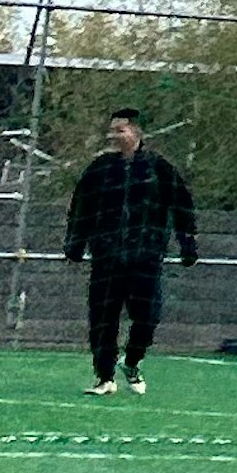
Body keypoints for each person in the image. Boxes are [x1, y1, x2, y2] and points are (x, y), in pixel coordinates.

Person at [61, 106, 197, 392]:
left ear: (135, 132)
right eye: (112, 130)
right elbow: (81, 206)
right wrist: (76, 242)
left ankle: (133, 359)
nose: (114, 135)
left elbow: (181, 206)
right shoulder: (100, 169)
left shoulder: (159, 168)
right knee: (103, 317)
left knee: (148, 316)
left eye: (120, 130)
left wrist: (187, 244)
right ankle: (105, 377)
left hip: (145, 256)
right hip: (107, 256)